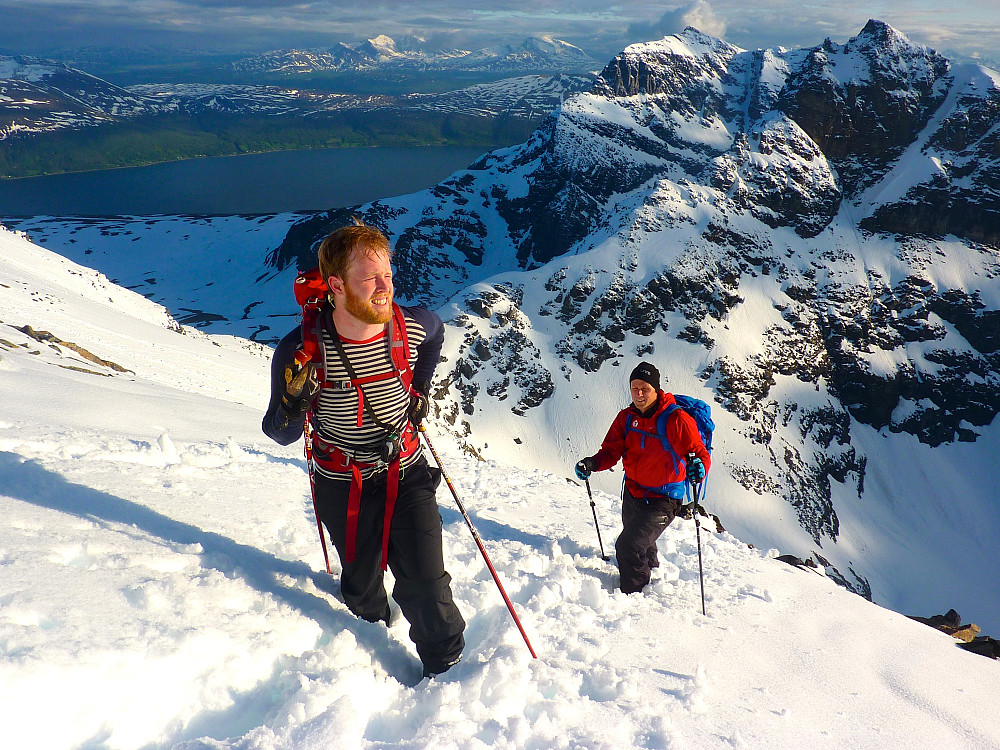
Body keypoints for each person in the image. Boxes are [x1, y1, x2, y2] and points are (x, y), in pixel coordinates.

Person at [262, 221, 465, 678]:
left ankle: (448, 672)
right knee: (359, 585)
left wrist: (419, 391)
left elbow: (435, 336)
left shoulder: (408, 326)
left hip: (405, 470)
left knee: (426, 584)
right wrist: (291, 407)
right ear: (335, 285)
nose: (384, 287)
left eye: (388, 275)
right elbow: (281, 435)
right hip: (342, 484)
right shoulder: (302, 350)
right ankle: (371, 634)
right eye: (369, 278)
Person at [574, 362, 710, 594]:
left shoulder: (676, 419)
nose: (638, 394)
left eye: (644, 388)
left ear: (656, 389)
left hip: (664, 498)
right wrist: (593, 463)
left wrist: (698, 467)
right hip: (633, 491)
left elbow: (699, 454)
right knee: (641, 543)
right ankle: (653, 573)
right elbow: (611, 450)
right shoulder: (626, 418)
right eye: (634, 388)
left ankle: (634, 593)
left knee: (628, 545)